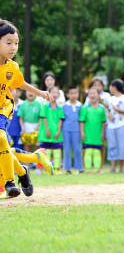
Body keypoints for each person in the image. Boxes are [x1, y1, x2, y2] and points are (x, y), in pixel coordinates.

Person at [0, 20, 52, 196]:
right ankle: (22, 171)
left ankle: (9, 183)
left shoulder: (12, 67)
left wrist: (40, 93)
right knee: (4, 147)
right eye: (8, 42)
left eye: (16, 43)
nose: (13, 47)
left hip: (4, 108)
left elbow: (20, 84)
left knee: (1, 139)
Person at [103, 79, 124, 173]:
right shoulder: (111, 98)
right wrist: (109, 115)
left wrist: (118, 109)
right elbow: (108, 110)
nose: (110, 88)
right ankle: (113, 168)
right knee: (112, 146)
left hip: (122, 125)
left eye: (111, 86)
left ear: (114, 87)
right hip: (111, 126)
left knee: (123, 146)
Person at [80, 87, 107, 173]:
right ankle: (88, 169)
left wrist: (102, 133)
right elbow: (81, 121)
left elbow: (103, 122)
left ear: (98, 95)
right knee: (88, 152)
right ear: (88, 96)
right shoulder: (85, 108)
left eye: (94, 93)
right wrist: (82, 132)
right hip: (87, 134)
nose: (92, 95)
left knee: (97, 152)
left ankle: (97, 169)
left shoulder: (102, 108)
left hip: (98, 134)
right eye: (90, 93)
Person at [39, 86, 64, 172]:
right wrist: (47, 130)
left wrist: (58, 131)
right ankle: (47, 169)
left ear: (59, 95)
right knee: (47, 152)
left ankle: (57, 169)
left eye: (57, 92)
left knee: (57, 151)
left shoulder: (60, 108)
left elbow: (61, 120)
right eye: (53, 92)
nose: (55, 94)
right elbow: (44, 118)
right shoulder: (45, 106)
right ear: (49, 94)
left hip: (56, 133)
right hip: (47, 133)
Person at [62, 86, 83, 173]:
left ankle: (79, 168)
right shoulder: (64, 106)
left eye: (75, 93)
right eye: (71, 93)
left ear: (78, 94)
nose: (73, 95)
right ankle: (67, 168)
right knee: (67, 149)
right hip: (66, 130)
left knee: (77, 149)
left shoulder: (80, 106)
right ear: (67, 95)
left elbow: (82, 119)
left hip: (77, 130)